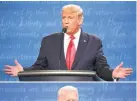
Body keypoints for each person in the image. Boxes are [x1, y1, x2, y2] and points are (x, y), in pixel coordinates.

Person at [4, 4, 133, 81]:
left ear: (80, 20)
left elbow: (101, 69)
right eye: (63, 18)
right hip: (53, 89)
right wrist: (23, 71)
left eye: (70, 18)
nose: (65, 21)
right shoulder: (49, 41)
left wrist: (112, 74)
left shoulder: (94, 42)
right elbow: (39, 68)